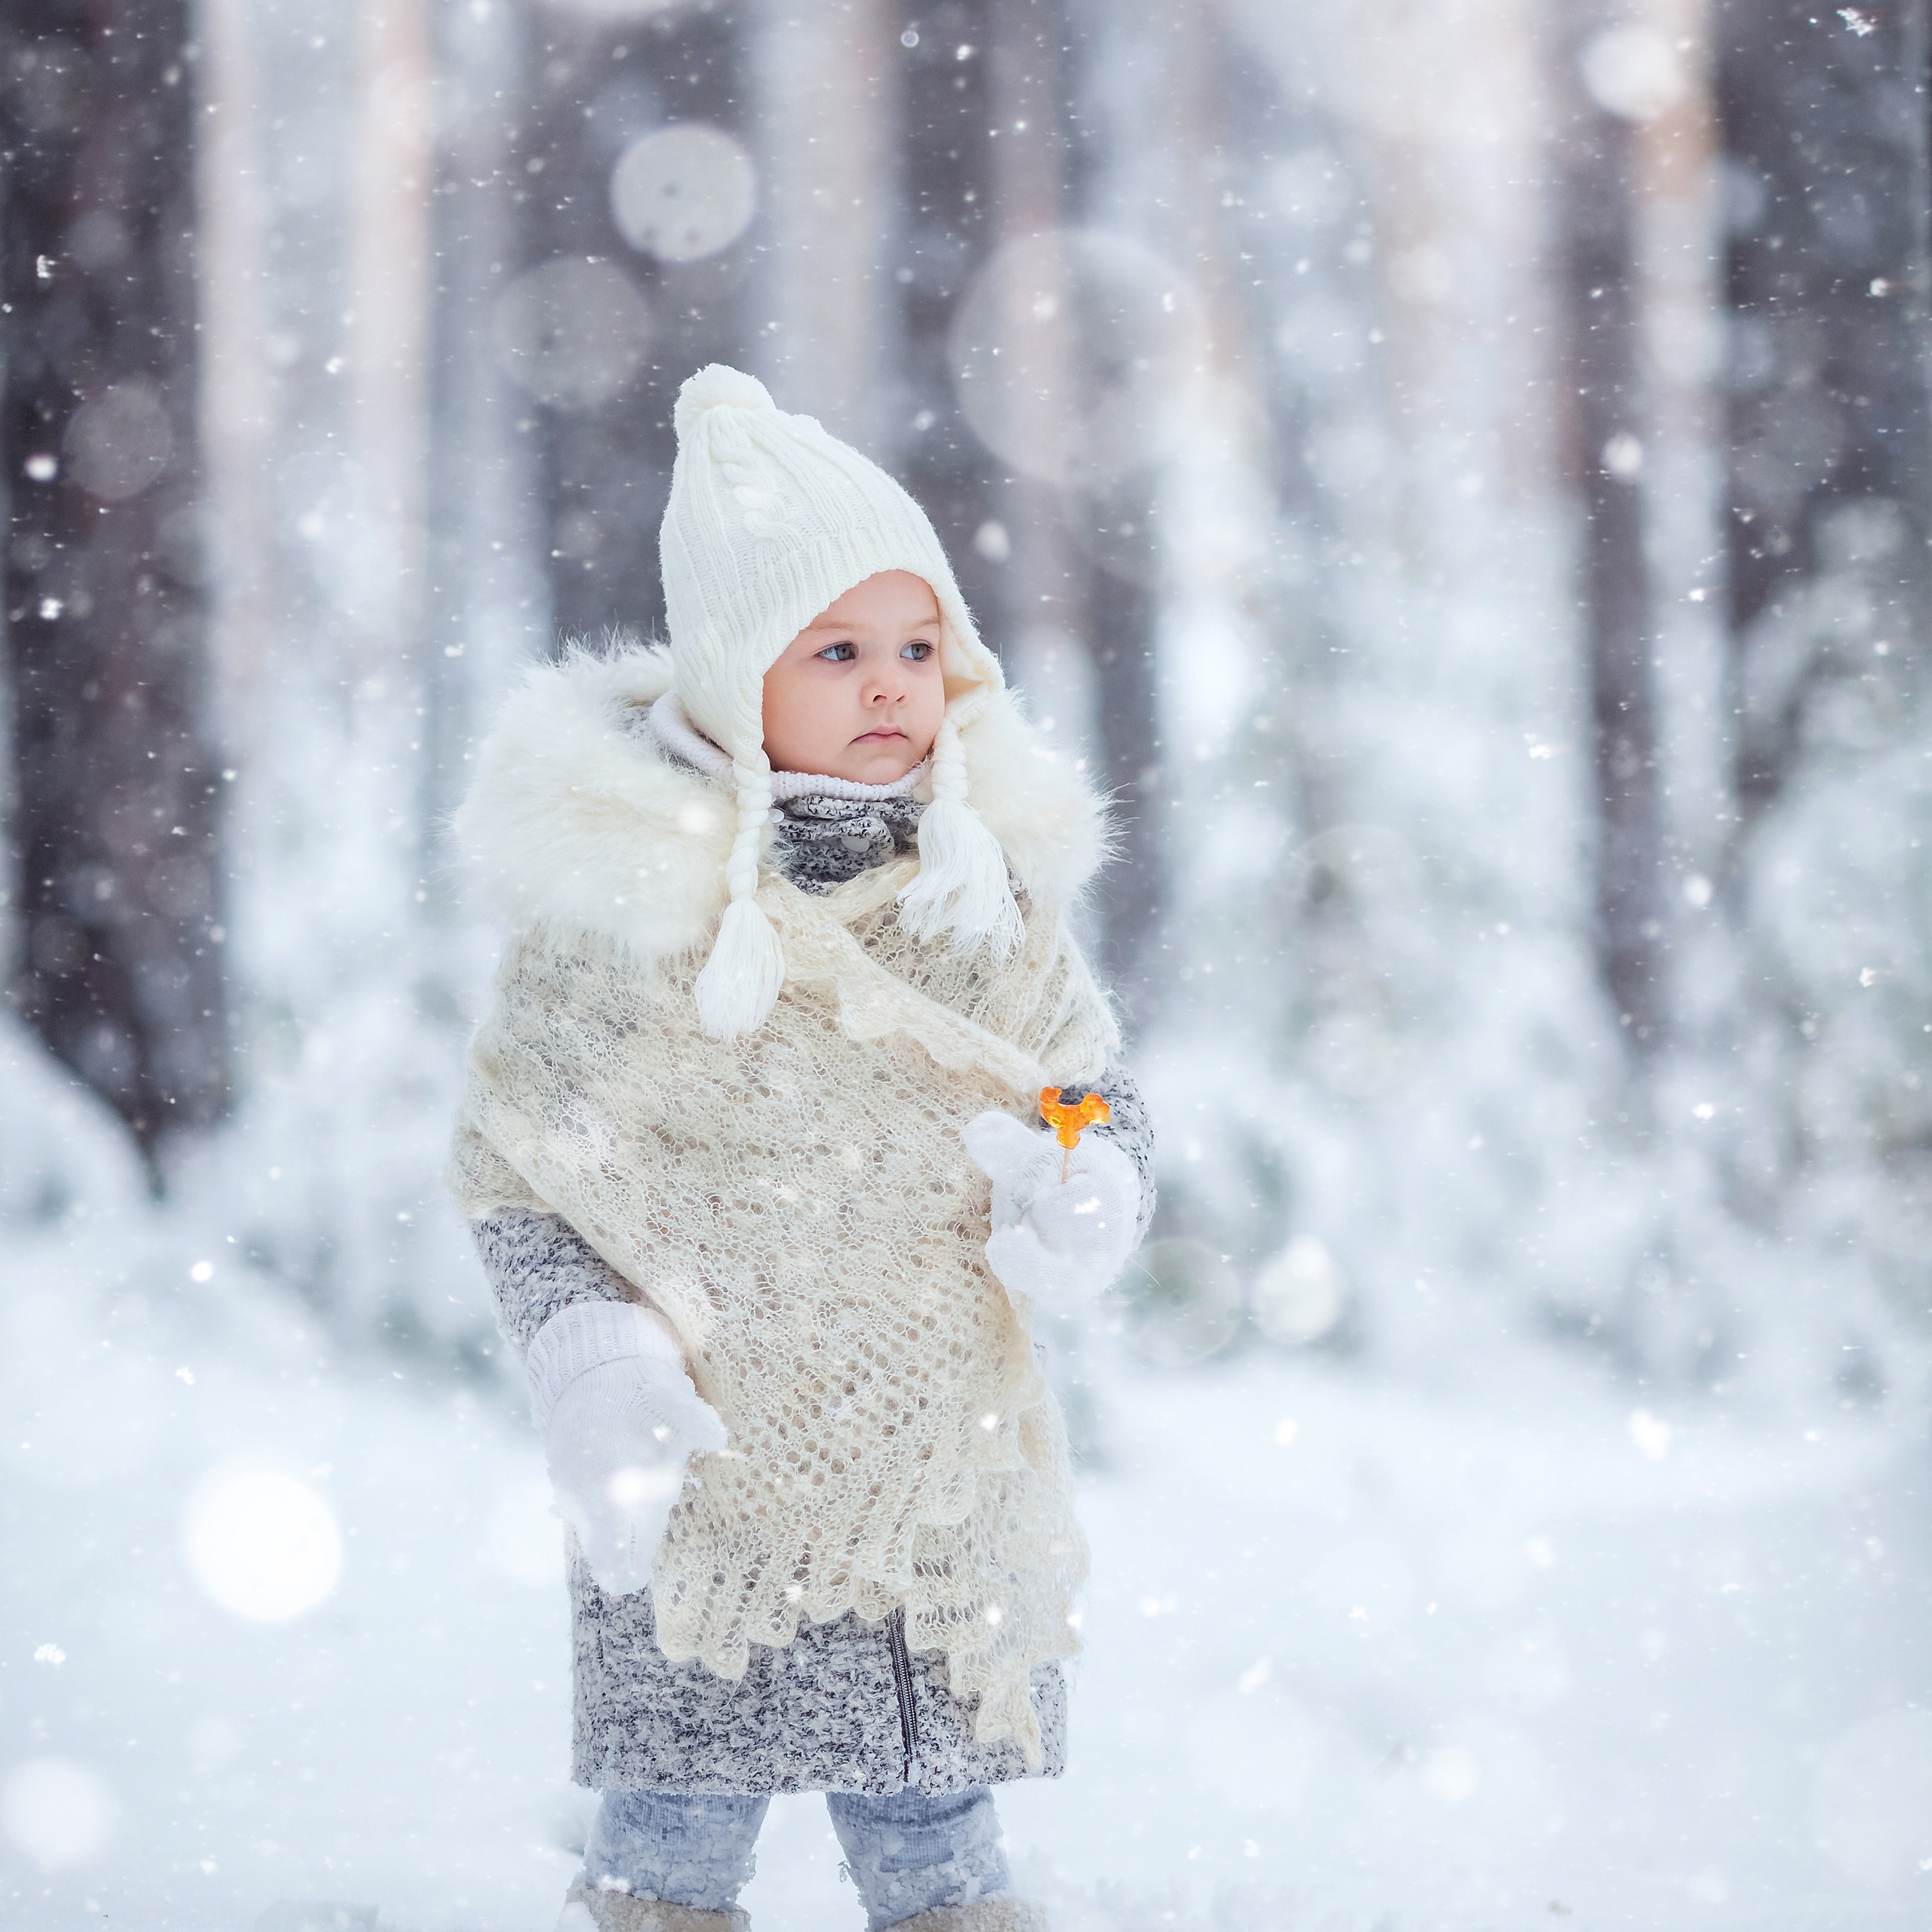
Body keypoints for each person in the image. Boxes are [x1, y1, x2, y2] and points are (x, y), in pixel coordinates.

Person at [446, 365, 1155, 1932]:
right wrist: (597, 1361)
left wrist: (1087, 1177)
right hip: (704, 1444)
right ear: (729, 676)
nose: (890, 685)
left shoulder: (980, 893)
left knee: (928, 1785)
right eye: (835, 651)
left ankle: (946, 1907)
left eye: (917, 647)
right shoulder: (628, 917)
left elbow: (1076, 1085)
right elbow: (525, 1170)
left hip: (932, 1441)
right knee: (686, 1783)